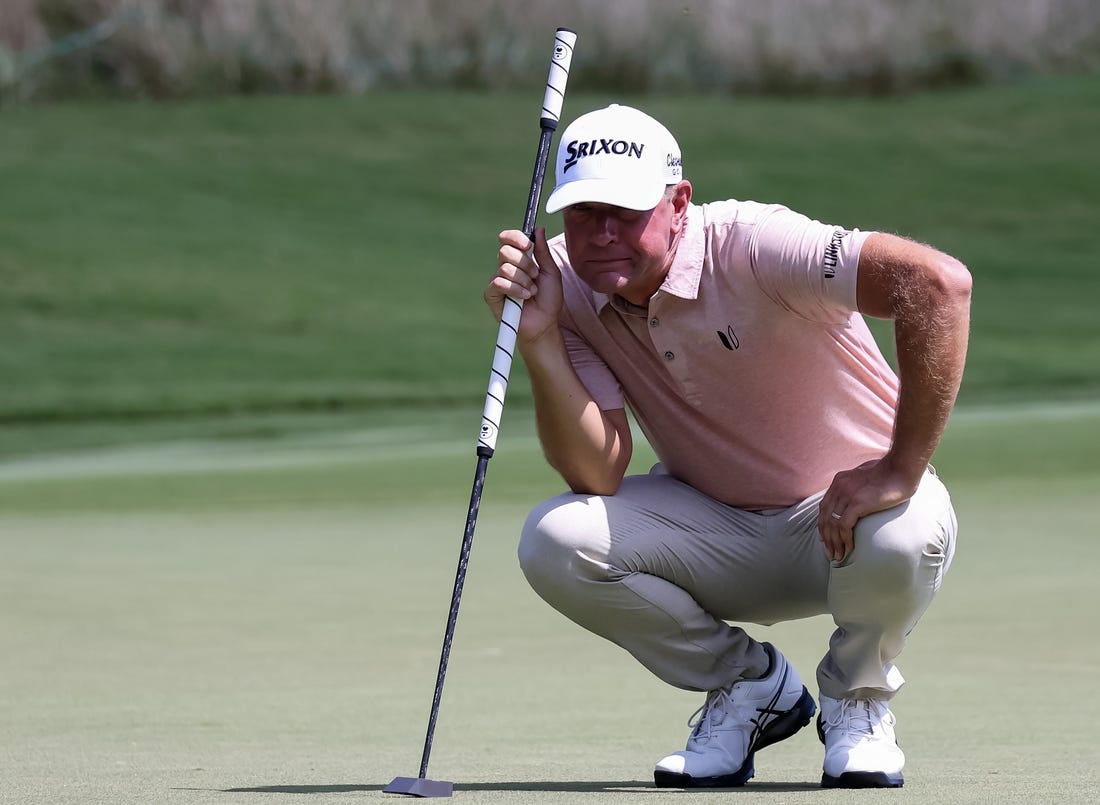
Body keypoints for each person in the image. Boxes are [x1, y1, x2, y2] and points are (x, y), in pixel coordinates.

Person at [484, 103, 971, 789]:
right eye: (584, 212)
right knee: (555, 538)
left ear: (679, 201)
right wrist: (537, 338)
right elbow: (595, 469)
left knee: (907, 524)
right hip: (716, 533)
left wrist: (899, 466)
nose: (602, 234)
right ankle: (750, 688)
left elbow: (938, 284)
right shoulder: (562, 286)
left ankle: (856, 700)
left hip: (848, 523)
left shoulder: (754, 242)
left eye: (625, 211)